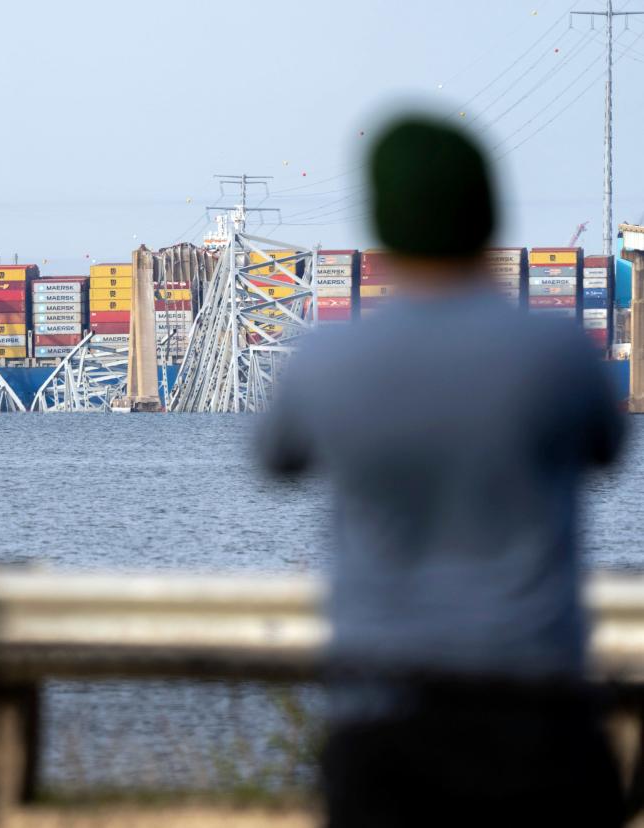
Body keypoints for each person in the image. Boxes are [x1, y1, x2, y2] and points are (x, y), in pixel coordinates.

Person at [258, 115, 627, 826]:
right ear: (488, 211)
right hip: (538, 712)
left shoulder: (323, 361)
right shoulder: (559, 352)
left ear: (382, 223)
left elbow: (277, 461)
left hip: (382, 719)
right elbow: (606, 451)